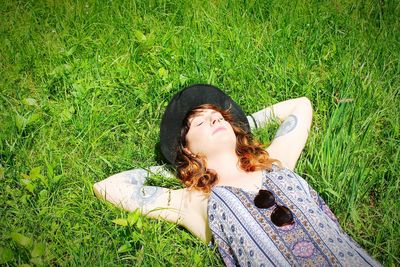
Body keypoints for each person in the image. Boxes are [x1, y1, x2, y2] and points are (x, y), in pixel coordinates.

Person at [93, 84, 380, 266]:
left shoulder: (275, 162)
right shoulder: (195, 202)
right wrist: (177, 167)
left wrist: (244, 124)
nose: (215, 118)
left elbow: (300, 105)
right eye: (199, 122)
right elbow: (109, 186)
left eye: (218, 115)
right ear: (189, 151)